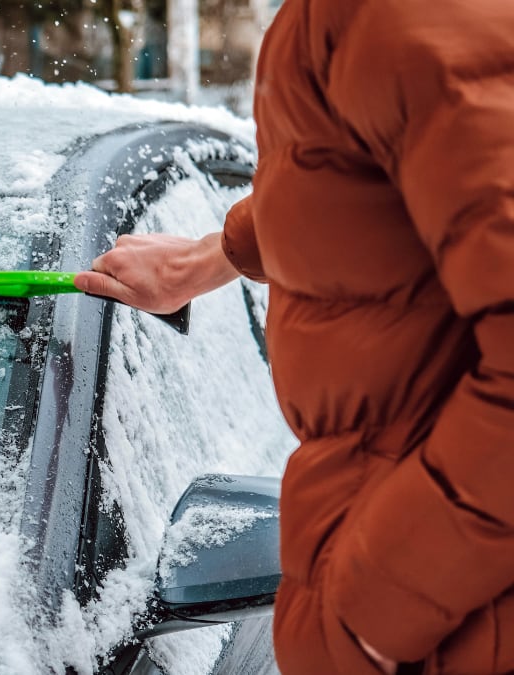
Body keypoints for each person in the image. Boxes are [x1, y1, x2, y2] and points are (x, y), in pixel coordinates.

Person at [74, 1, 514, 673]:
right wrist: (206, 258)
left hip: (450, 628)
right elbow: (350, 178)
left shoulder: (398, 16)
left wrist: (369, 615)